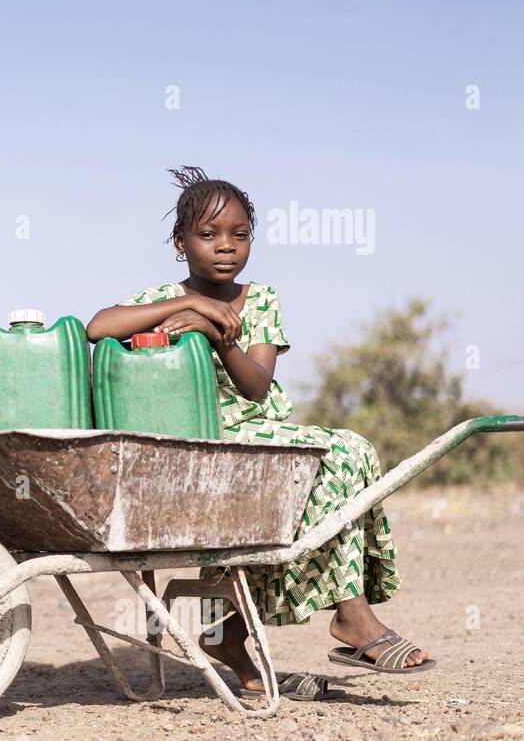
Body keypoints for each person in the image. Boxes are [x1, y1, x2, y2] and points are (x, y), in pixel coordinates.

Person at [85, 166, 434, 691]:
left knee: (351, 452)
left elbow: (255, 386)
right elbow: (96, 327)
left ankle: (227, 630)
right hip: (200, 439)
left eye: (240, 235)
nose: (226, 247)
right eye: (208, 235)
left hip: (257, 432)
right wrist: (189, 304)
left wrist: (218, 335)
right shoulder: (162, 297)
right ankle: (350, 616)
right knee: (335, 454)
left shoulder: (261, 299)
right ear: (181, 243)